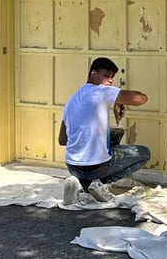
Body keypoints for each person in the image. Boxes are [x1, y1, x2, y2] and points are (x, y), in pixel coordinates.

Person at [58, 57, 151, 205]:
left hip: (73, 166)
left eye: (112, 77)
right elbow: (141, 99)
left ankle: (80, 183)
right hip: (97, 167)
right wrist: (118, 98)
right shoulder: (101, 91)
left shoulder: (71, 101)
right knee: (144, 153)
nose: (110, 80)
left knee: (112, 136)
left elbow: (62, 140)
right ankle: (99, 183)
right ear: (93, 74)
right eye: (106, 75)